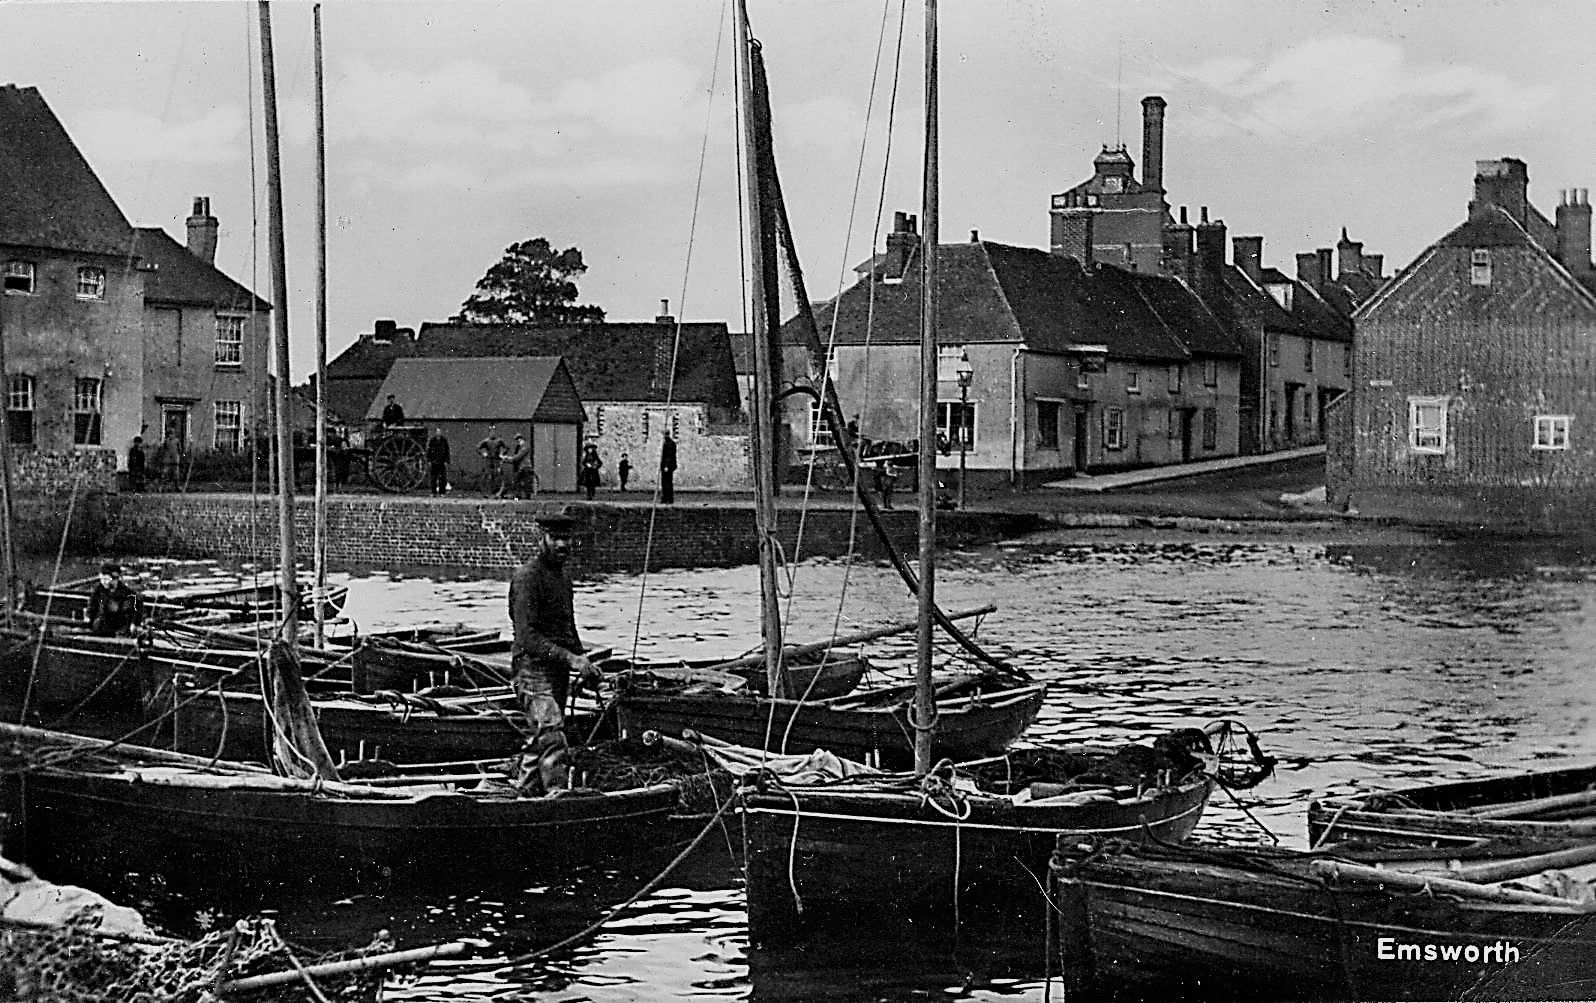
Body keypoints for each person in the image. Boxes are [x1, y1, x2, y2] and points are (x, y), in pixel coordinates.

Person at [508, 512, 602, 795]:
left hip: (556, 670)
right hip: (531, 669)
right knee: (551, 731)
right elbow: (527, 637)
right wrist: (570, 658)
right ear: (543, 539)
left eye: (567, 538)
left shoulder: (562, 578)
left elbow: (567, 628)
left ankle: (525, 796)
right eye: (556, 538)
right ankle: (557, 798)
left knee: (540, 740)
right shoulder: (527, 577)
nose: (562, 544)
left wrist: (583, 662)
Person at [86, 563, 142, 637]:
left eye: (106, 579)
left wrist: (134, 623)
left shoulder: (129, 594)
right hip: (101, 627)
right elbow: (92, 607)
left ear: (115, 579)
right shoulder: (98, 590)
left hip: (120, 629)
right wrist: (88, 617)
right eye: (101, 579)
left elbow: (136, 611)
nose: (103, 582)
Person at [478, 426, 507, 497]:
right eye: (491, 432)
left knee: (499, 475)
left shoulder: (499, 441)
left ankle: (498, 492)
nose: (492, 433)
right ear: (489, 433)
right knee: (487, 475)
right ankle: (486, 492)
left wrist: (502, 454)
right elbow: (478, 448)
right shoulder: (486, 441)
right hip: (489, 460)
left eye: (494, 432)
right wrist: (483, 454)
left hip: (497, 460)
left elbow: (506, 447)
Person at [426, 427, 451, 495]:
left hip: (442, 462)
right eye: (437, 432)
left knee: (442, 478)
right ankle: (433, 492)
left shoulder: (444, 441)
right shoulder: (432, 441)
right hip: (434, 461)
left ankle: (442, 492)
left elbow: (447, 451)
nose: (438, 433)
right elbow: (429, 451)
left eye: (439, 432)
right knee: (433, 478)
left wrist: (447, 460)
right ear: (435, 433)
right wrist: (429, 460)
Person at [506, 434, 531, 498]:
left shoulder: (525, 446)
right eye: (517, 440)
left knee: (519, 480)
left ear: (522, 439)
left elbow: (517, 457)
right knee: (517, 480)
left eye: (519, 439)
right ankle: (518, 496)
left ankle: (522, 496)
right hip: (521, 467)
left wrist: (507, 458)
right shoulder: (520, 447)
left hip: (525, 466)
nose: (518, 441)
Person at [659, 433, 677, 504]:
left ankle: (668, 498)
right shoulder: (666, 443)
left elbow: (669, 456)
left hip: (668, 467)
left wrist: (666, 466)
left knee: (667, 483)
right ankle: (665, 498)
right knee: (664, 483)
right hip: (665, 467)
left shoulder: (670, 444)